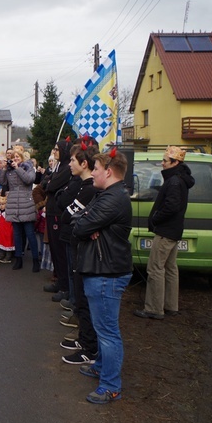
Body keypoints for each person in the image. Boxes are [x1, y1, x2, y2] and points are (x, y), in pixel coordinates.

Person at [72, 149, 133, 404]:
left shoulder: (113, 198)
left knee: (107, 332)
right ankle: (101, 368)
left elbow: (80, 226)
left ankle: (110, 385)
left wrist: (87, 224)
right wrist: (86, 223)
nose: (93, 172)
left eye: (96, 168)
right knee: (102, 328)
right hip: (101, 269)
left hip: (107, 273)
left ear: (108, 171)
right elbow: (78, 219)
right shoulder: (106, 195)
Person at [135, 146, 195, 320]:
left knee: (155, 268)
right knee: (170, 269)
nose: (162, 164)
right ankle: (170, 305)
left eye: (165, 161)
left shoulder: (174, 181)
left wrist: (155, 218)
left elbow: (172, 206)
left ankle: (154, 308)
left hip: (166, 231)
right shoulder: (180, 179)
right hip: (173, 231)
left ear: (175, 163)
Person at [57, 140, 101, 365]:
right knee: (81, 298)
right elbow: (65, 213)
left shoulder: (89, 189)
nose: (69, 164)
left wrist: (68, 213)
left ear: (84, 163)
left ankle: (89, 348)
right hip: (76, 246)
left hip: (83, 250)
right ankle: (84, 340)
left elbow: (67, 215)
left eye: (73, 161)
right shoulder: (83, 186)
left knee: (84, 299)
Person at [0, 145, 40, 271]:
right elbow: (1, 181)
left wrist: (18, 168)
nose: (15, 159)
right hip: (13, 203)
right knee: (16, 234)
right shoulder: (10, 169)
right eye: (13, 157)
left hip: (25, 202)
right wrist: (5, 169)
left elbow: (29, 180)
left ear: (22, 158)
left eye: (17, 157)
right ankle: (18, 259)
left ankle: (35, 260)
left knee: (29, 233)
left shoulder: (27, 167)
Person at [43, 138, 73, 298]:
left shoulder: (67, 168)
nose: (54, 152)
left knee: (60, 251)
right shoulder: (59, 167)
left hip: (58, 214)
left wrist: (49, 182)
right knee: (54, 249)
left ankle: (65, 287)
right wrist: (48, 181)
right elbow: (46, 183)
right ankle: (60, 281)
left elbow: (51, 186)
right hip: (51, 210)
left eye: (57, 149)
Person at [0, 195, 14, 263]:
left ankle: (8, 256)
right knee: (0, 243)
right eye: (0, 204)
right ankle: (1, 255)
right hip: (0, 232)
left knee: (8, 244)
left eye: (3, 204)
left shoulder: (8, 213)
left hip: (7, 231)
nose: (1, 206)